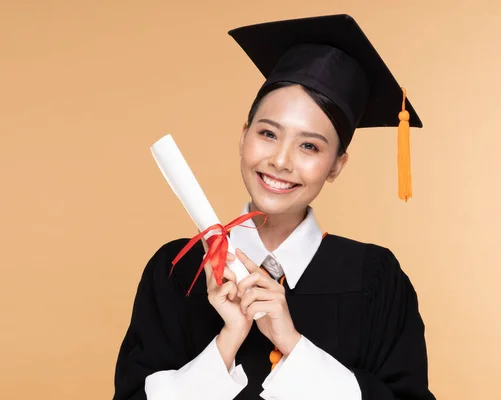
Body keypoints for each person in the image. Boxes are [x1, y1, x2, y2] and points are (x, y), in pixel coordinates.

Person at [113, 14, 436, 400]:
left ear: (336, 165)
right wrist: (226, 343)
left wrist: (293, 344)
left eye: (309, 146)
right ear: (243, 136)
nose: (281, 161)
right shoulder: (179, 270)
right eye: (268, 133)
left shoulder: (376, 279)